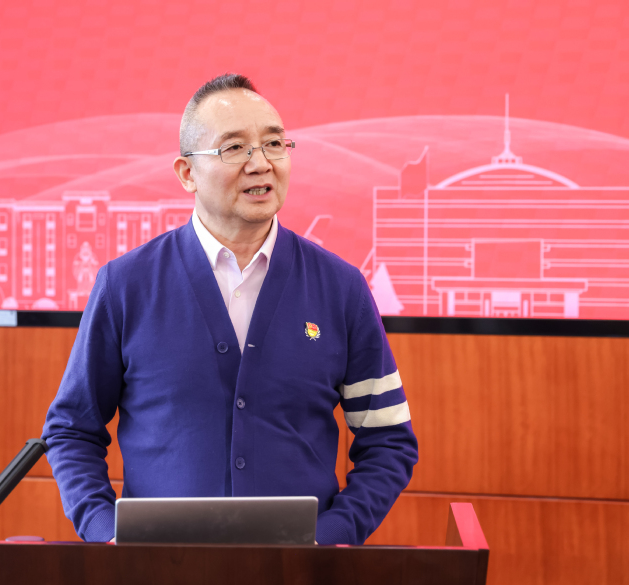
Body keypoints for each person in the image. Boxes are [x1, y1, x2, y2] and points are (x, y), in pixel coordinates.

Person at [42, 73, 418, 545]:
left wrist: (332, 537)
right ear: (187, 173)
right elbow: (72, 430)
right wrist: (105, 535)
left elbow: (388, 439)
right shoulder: (125, 286)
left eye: (274, 144)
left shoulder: (341, 289)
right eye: (234, 148)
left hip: (301, 571)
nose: (261, 164)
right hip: (156, 569)